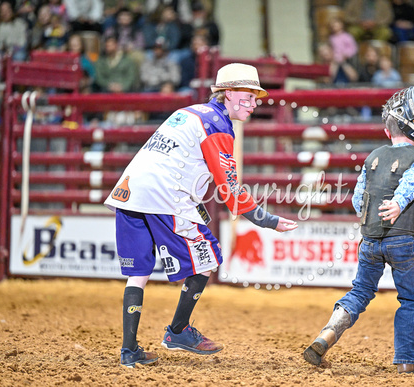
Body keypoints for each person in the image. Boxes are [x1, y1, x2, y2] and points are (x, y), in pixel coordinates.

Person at [103, 63, 299, 368]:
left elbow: (179, 165)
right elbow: (229, 185)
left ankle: (130, 351)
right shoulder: (218, 125)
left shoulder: (188, 113)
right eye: (248, 97)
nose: (254, 103)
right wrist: (266, 219)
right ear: (228, 94)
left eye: (255, 98)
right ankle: (178, 331)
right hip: (164, 196)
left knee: (138, 274)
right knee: (208, 257)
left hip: (129, 190)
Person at [303, 84, 414, 374]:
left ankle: (327, 334)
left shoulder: (373, 158)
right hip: (401, 242)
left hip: (369, 241)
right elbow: (412, 184)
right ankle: (407, 360)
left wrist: (370, 218)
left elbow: (359, 198)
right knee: (410, 300)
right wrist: (397, 203)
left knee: (360, 292)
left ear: (387, 131)